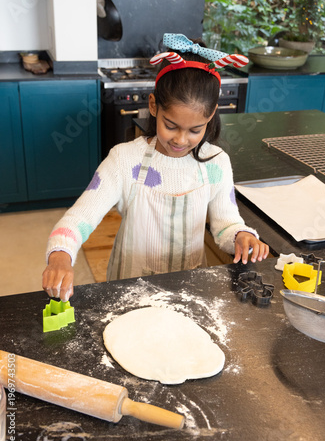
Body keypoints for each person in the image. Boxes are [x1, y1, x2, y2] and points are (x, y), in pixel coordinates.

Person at [43, 33, 269, 302]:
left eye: (195, 130)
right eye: (170, 125)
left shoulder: (216, 163)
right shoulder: (125, 160)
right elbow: (80, 217)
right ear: (153, 106)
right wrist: (60, 255)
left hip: (189, 288)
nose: (180, 139)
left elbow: (225, 226)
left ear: (211, 116)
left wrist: (241, 235)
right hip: (128, 288)